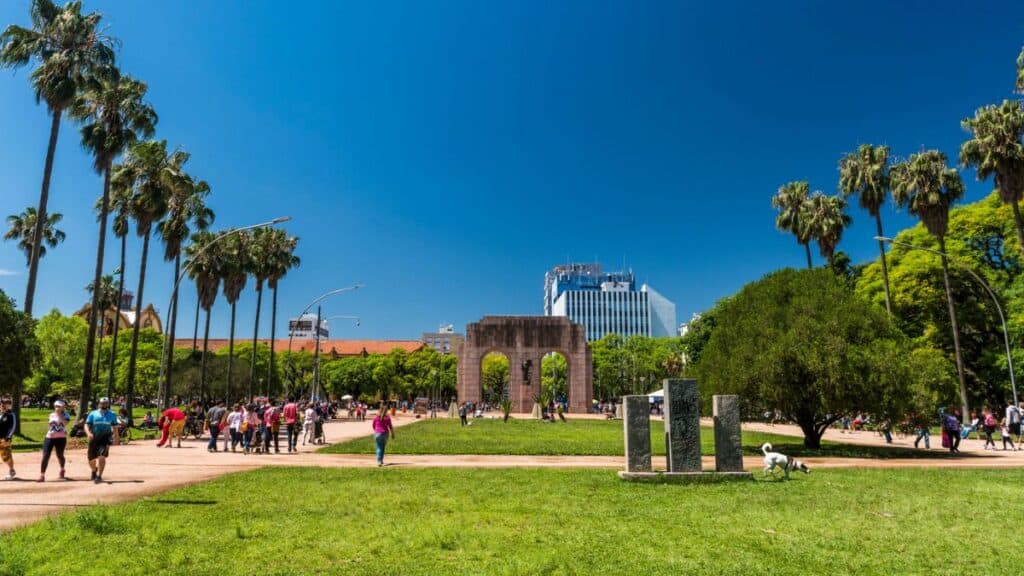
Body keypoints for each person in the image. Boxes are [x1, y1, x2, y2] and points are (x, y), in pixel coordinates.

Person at [85, 397, 120, 484]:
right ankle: (94, 470)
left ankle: (99, 476)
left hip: (105, 438)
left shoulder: (112, 414)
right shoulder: (93, 414)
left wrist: (116, 438)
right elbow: (86, 425)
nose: (104, 405)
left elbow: (115, 427)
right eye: (102, 403)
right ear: (99, 403)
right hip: (94, 438)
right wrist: (88, 433)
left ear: (108, 404)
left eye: (106, 403)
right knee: (91, 459)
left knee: (101, 456)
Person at [39, 400, 69, 482]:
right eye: (56, 406)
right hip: (49, 437)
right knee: (45, 456)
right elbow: (50, 425)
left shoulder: (66, 415)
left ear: (63, 407)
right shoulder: (51, 415)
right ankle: (42, 475)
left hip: (61, 438)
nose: (57, 408)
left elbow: (65, 423)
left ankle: (62, 469)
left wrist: (60, 415)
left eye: (59, 406)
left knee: (60, 455)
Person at [0, 398, 17, 480]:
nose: (3, 405)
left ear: (9, 405)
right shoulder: (1, 414)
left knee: (6, 456)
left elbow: (13, 427)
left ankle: (11, 471)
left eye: (5, 403)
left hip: (4, 439)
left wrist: (8, 437)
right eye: (2, 403)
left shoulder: (11, 415)